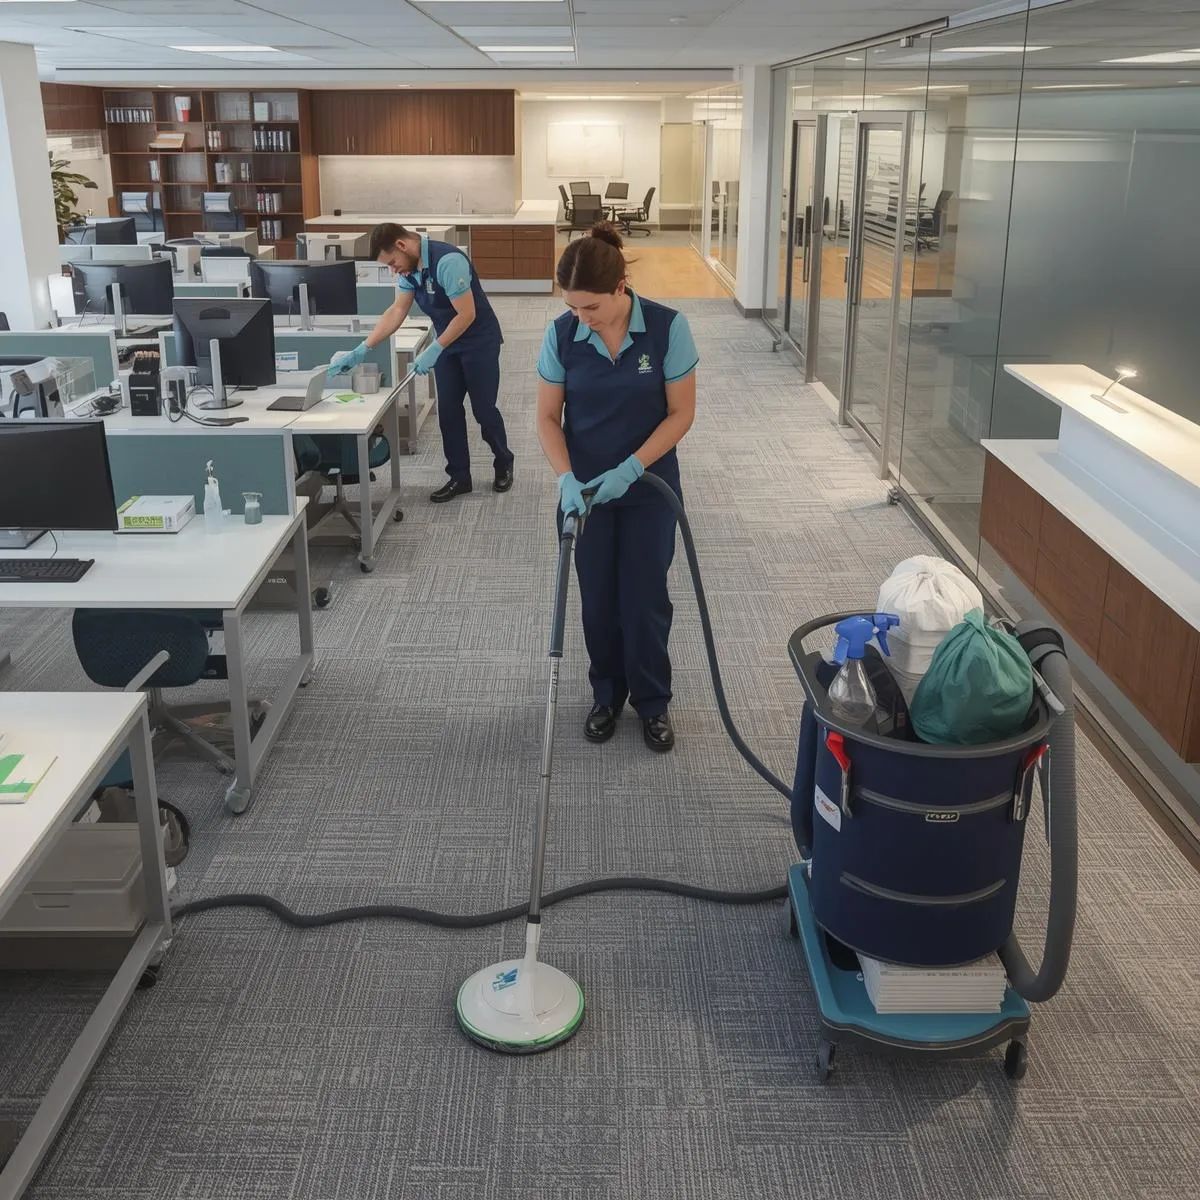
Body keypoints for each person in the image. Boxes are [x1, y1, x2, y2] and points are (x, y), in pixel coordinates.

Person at [535, 224, 698, 752]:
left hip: (650, 487)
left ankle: (652, 703)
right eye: (574, 308)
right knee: (599, 599)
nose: (582, 318)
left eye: (591, 307)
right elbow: (546, 417)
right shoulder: (561, 334)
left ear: (620, 287)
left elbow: (681, 414)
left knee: (645, 598)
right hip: (587, 493)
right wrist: (565, 478)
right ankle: (607, 695)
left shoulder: (668, 329)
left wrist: (631, 466)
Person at [331, 223, 514, 502]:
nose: (393, 270)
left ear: (403, 246)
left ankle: (503, 461)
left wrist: (434, 349)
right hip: (447, 345)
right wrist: (363, 348)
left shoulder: (448, 262)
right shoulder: (410, 270)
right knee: (449, 412)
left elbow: (466, 315)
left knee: (483, 410)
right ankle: (459, 477)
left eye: (392, 262)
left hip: (479, 342)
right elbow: (398, 309)